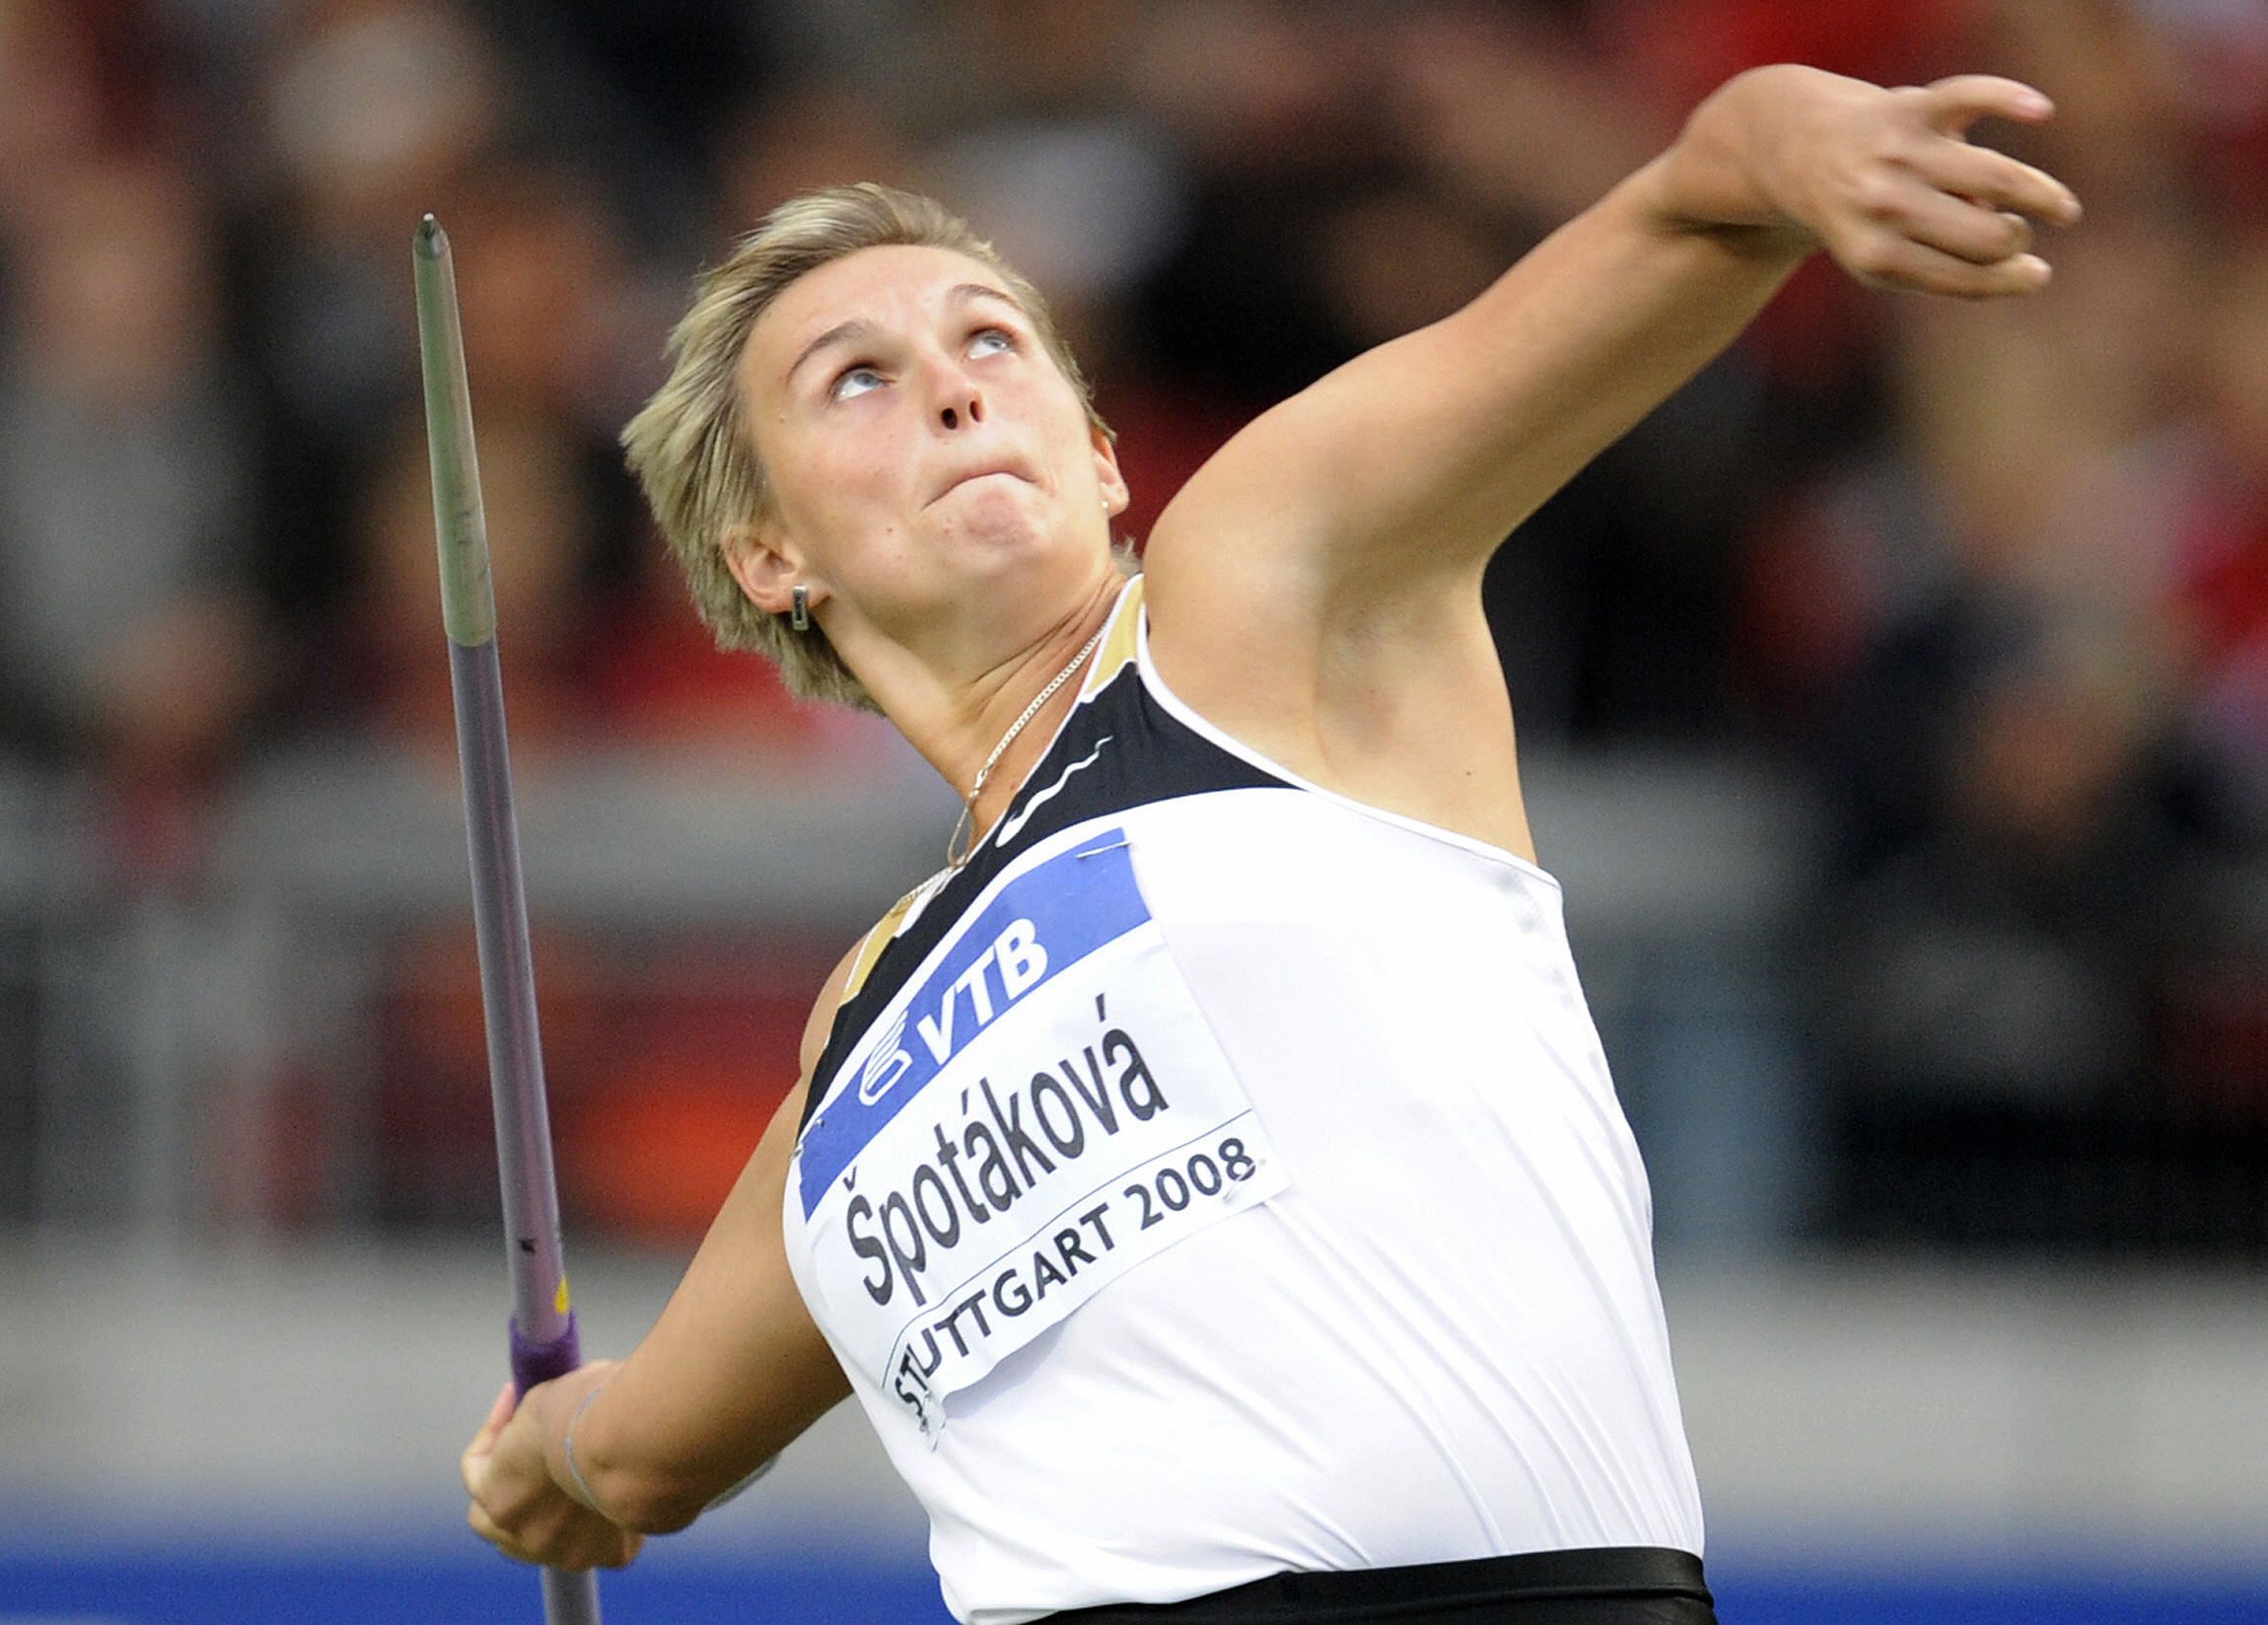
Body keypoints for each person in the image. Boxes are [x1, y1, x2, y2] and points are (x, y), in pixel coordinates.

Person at [461, 64, 2080, 1623]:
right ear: (767, 553)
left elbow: (1692, 204)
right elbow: (649, 1447)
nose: (954, 383)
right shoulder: (866, 1022)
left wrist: (1797, 147)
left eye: (995, 340)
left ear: (1101, 457)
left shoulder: (1257, 603)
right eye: (858, 379)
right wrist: (546, 1458)